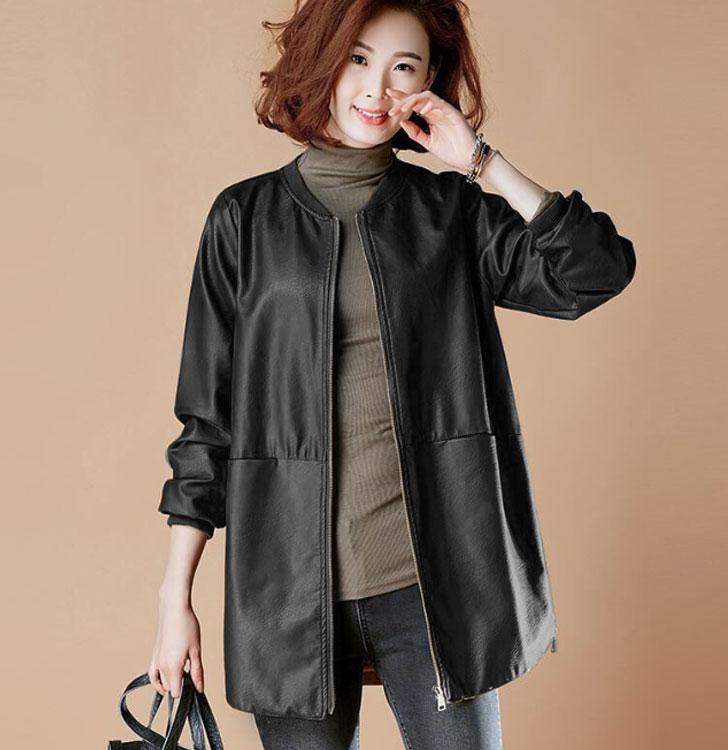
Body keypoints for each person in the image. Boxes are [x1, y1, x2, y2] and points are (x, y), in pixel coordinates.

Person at [149, 1, 636, 748]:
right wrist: (173, 599)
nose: (377, 89)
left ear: (429, 82)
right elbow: (205, 426)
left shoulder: (451, 213)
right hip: (285, 594)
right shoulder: (243, 220)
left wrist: (480, 161)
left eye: (404, 67)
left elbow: (595, 271)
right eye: (358, 59)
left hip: (432, 588)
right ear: (322, 59)